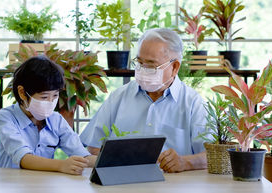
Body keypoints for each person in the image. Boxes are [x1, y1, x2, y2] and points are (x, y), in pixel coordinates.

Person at [80, 28, 207, 173]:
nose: (143, 70)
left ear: (174, 67)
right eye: (140, 63)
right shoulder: (119, 97)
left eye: (151, 65)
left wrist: (185, 162)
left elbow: (213, 155)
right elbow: (93, 146)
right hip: (124, 185)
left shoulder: (193, 103)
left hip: (173, 185)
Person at [0, 56, 96, 175]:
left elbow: (82, 155)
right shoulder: (5, 118)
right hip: (12, 185)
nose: (50, 101)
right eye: (44, 97)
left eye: (55, 96)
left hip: (45, 186)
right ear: (22, 93)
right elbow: (24, 158)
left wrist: (110, 161)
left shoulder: (56, 119)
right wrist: (62, 165)